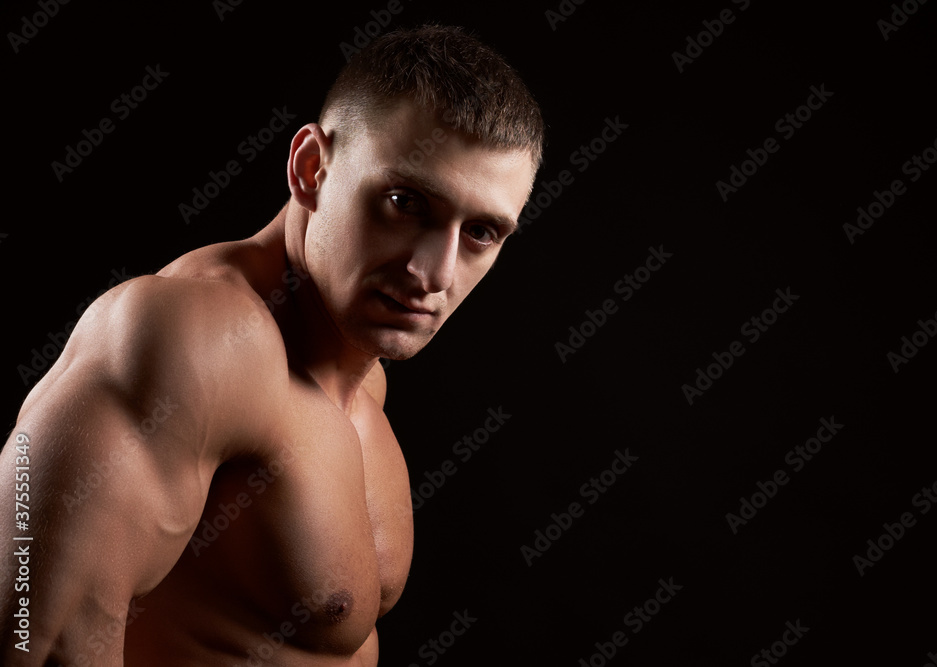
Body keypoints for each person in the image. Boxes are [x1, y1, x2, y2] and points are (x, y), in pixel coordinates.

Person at [0, 24, 544, 666]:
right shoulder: (191, 338)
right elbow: (34, 637)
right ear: (311, 169)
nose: (434, 272)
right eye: (405, 202)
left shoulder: (360, 379)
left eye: (480, 232)